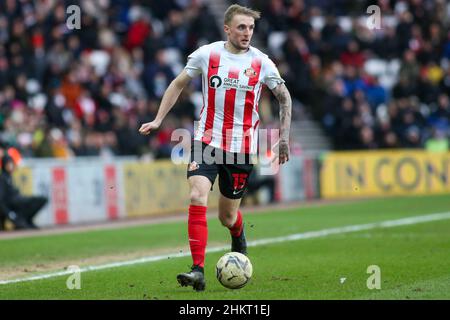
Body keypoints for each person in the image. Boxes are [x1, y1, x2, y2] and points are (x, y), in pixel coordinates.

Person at [139, 4, 292, 291]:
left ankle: (238, 235)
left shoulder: (262, 63)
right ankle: (197, 269)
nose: (247, 33)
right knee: (197, 196)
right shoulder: (207, 54)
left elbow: (284, 98)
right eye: (241, 27)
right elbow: (177, 84)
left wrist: (283, 137)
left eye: (250, 28)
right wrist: (159, 119)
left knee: (227, 216)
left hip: (241, 150)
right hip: (206, 141)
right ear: (227, 28)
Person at [0, 155, 47, 230]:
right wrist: (10, 214)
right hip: (14, 205)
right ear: (4, 165)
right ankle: (23, 221)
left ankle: (27, 220)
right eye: (8, 164)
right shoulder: (2, 178)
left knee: (41, 200)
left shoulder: (9, 177)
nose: (11, 166)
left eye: (11, 163)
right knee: (34, 202)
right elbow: (1, 200)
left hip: (19, 201)